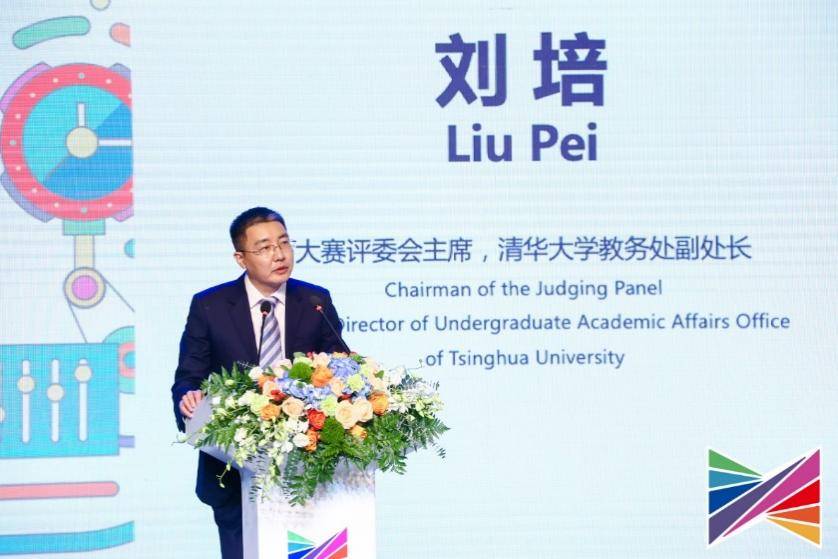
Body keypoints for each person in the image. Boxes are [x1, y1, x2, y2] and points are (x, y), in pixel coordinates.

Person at [171, 207, 344, 559]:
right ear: (241, 258)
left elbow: (340, 369)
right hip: (233, 474)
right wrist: (189, 400)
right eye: (264, 247)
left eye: (284, 243)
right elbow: (189, 377)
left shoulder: (315, 301)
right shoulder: (210, 306)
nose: (279, 254)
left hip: (308, 471)